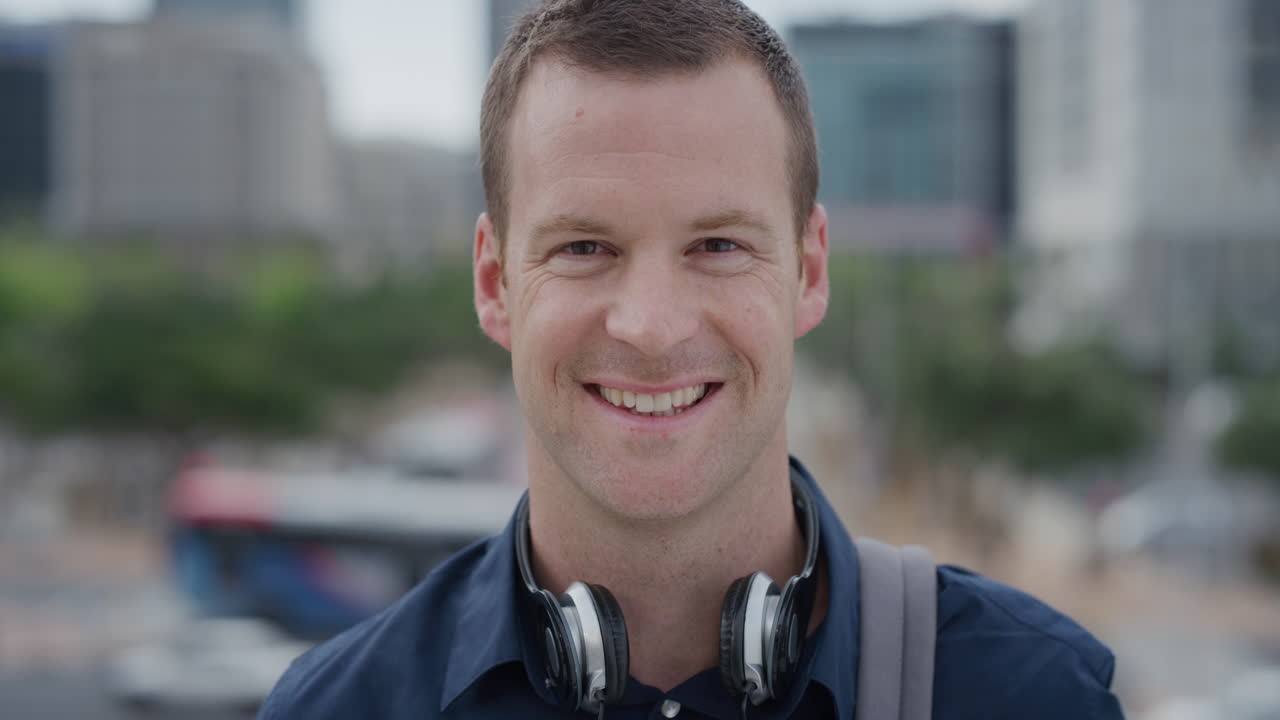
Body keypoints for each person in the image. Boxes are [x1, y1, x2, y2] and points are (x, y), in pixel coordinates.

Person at [259, 1, 1125, 717]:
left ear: (809, 271)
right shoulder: (336, 707)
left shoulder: (1036, 693)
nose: (651, 327)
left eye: (716, 245)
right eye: (585, 248)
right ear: (494, 283)